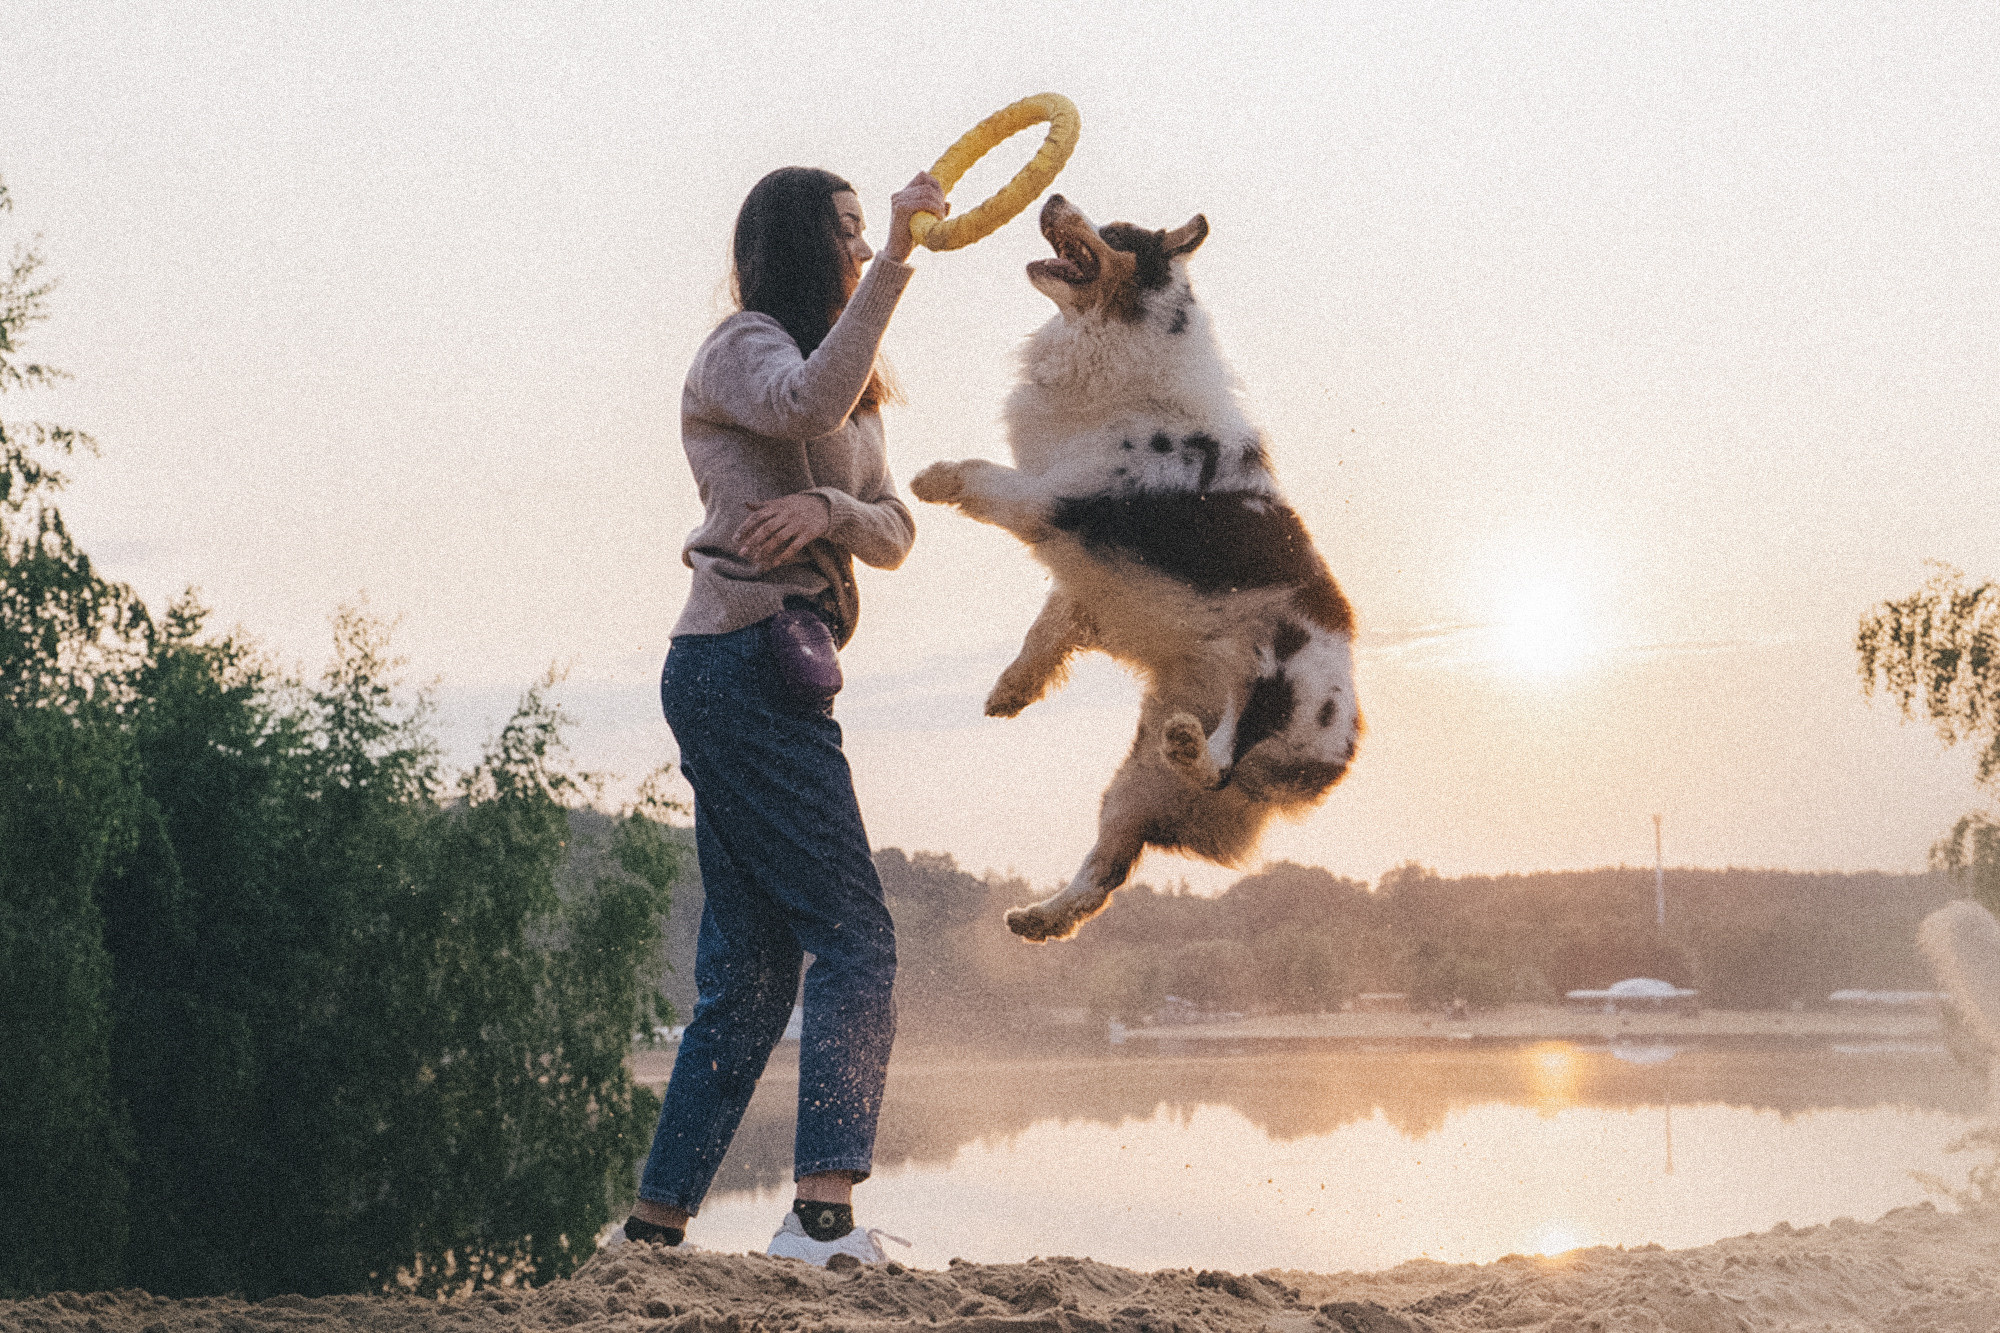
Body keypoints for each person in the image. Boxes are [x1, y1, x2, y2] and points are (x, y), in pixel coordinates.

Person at [610, 166, 949, 1266]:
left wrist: (830, 506)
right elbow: (797, 403)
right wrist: (899, 261)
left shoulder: (853, 386)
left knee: (754, 973)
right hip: (737, 663)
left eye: (868, 233)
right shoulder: (741, 348)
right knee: (855, 938)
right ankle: (820, 1219)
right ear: (800, 245)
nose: (862, 246)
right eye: (848, 232)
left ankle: (652, 1230)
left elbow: (895, 529)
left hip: (766, 669)